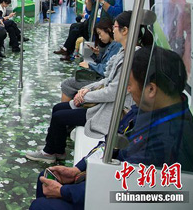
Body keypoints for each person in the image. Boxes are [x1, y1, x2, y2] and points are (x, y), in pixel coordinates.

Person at [30, 46, 193, 210]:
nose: (127, 89)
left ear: (151, 89)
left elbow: (125, 190)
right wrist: (79, 169)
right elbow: (111, 142)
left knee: (42, 206)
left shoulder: (168, 140)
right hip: (114, 179)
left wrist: (63, 192)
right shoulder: (148, 111)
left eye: (130, 84)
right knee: (45, 177)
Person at [26, 11, 152, 163]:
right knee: (58, 108)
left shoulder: (132, 58)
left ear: (125, 30)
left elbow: (114, 91)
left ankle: (49, 153)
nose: (113, 30)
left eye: (115, 26)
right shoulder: (123, 51)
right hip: (105, 104)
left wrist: (85, 96)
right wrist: (85, 90)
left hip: (112, 111)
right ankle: (55, 149)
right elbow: (107, 80)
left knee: (59, 117)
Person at [54, 0, 122, 61]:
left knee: (77, 30)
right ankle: (68, 51)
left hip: (104, 29)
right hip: (93, 24)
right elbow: (90, 11)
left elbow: (117, 13)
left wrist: (101, 1)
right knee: (75, 27)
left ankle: (69, 52)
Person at [60, 19, 121, 102]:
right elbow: (106, 63)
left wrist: (90, 65)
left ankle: (65, 107)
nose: (99, 37)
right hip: (101, 78)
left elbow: (107, 69)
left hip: (101, 80)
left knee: (67, 84)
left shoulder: (117, 46)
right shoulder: (112, 45)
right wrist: (97, 55)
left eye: (100, 34)